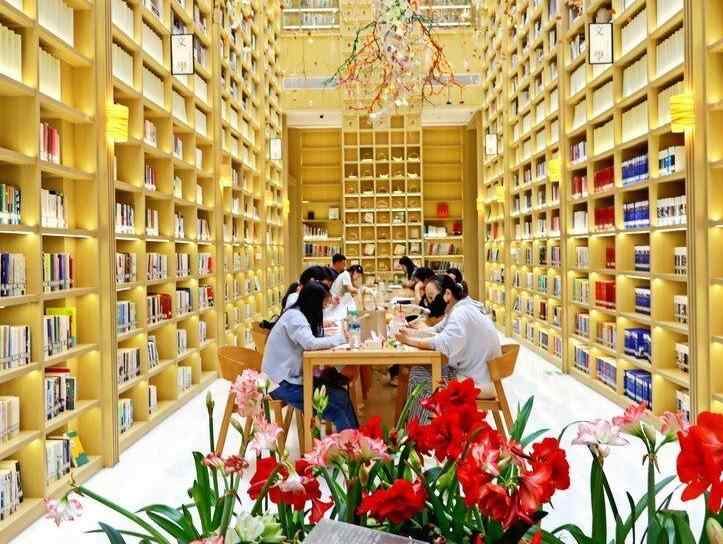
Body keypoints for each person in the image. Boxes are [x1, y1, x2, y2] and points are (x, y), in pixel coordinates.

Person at [396, 274, 502, 423]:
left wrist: (409, 340)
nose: (431, 303)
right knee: (420, 371)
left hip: (477, 382)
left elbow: (442, 343)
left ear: (447, 293)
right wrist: (412, 333)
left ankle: (421, 432)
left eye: (432, 298)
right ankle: (416, 428)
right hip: (481, 375)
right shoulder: (463, 307)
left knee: (418, 376)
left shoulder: (460, 313)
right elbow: (437, 330)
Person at [262, 282, 358, 431]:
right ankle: (349, 443)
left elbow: (311, 340)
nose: (323, 310)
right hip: (281, 384)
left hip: (288, 379)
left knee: (341, 395)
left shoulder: (298, 313)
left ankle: (355, 441)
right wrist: (342, 338)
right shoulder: (295, 317)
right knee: (338, 406)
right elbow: (310, 343)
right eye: (322, 306)